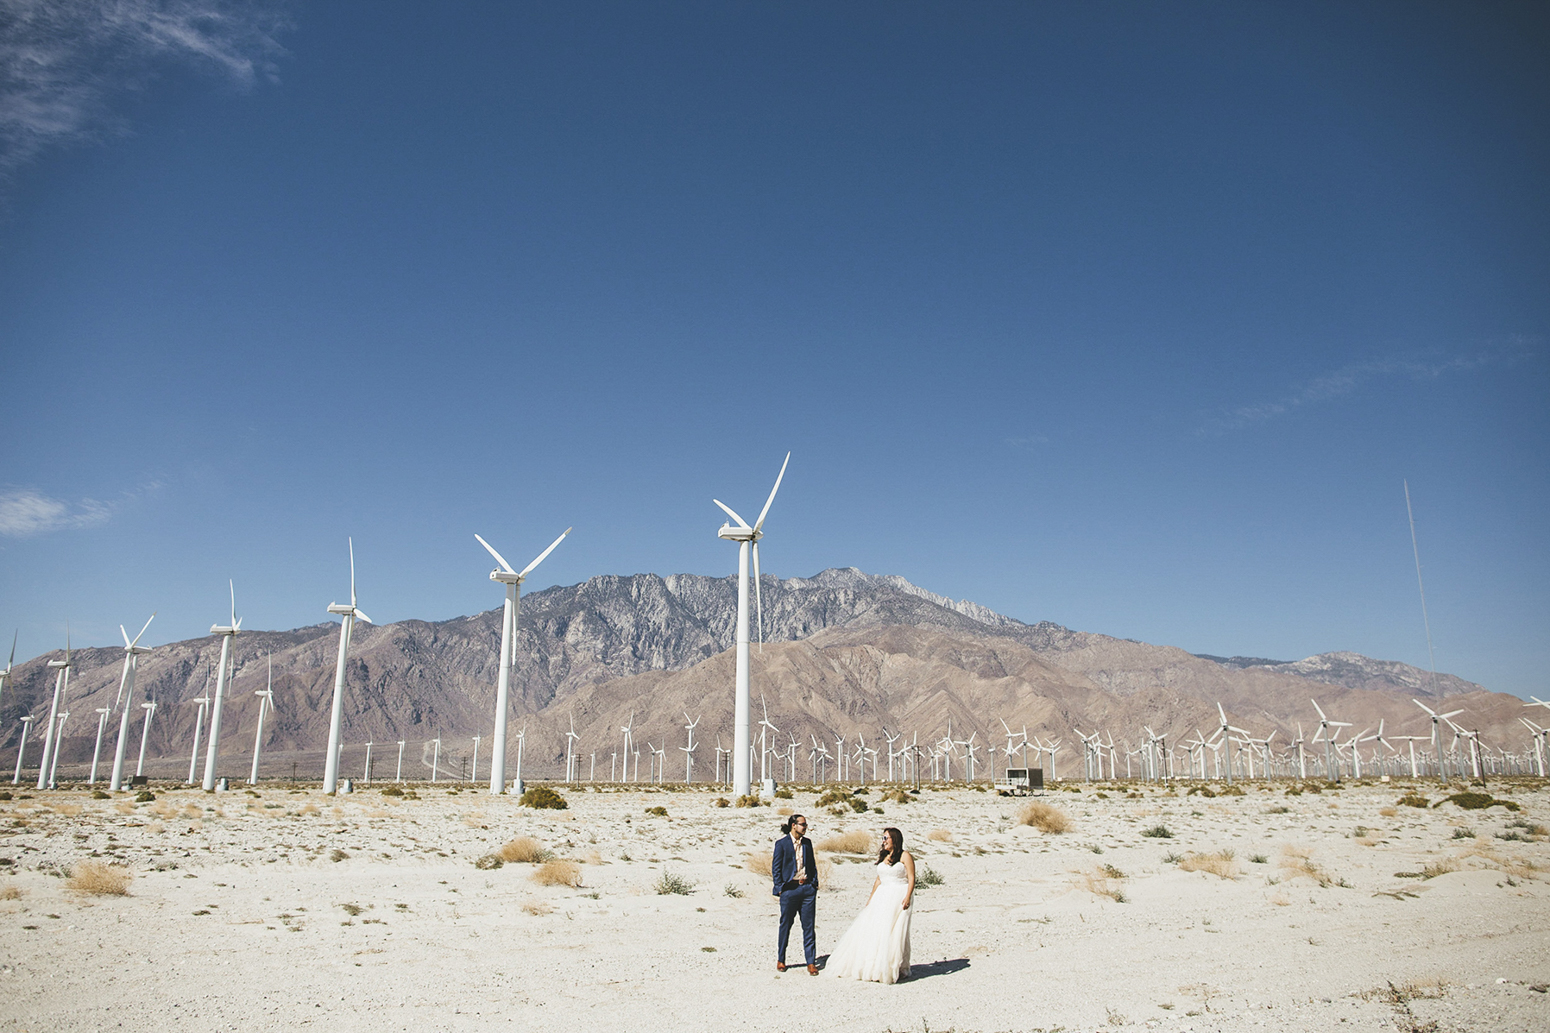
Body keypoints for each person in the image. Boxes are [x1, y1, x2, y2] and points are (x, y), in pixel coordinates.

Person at [824, 826, 914, 983]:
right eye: (883, 838)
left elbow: (912, 877)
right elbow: (879, 879)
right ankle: (874, 964)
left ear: (895, 839)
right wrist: (871, 898)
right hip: (882, 895)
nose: (883, 841)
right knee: (876, 929)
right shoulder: (885, 856)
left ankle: (893, 966)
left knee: (894, 931)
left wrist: (907, 897)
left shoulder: (905, 856)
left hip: (898, 894)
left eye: (886, 838)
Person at [771, 814, 820, 974]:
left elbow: (812, 865)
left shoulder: (807, 843)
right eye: (803, 824)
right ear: (793, 825)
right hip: (789, 889)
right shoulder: (782, 844)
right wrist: (780, 888)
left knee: (808, 926)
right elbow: (776, 868)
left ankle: (811, 962)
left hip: (806, 889)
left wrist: (814, 884)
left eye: (806, 825)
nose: (805, 827)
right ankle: (781, 959)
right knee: (785, 925)